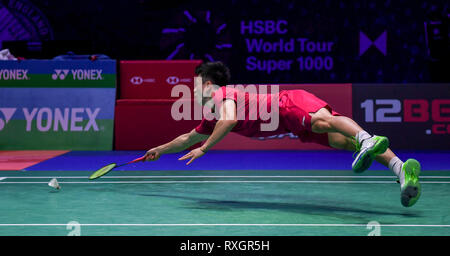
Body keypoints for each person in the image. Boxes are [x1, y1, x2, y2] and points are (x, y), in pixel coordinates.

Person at [145, 61, 421, 207]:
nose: (192, 91)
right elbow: (186, 138)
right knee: (338, 138)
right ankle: (401, 171)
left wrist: (205, 149)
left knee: (325, 120)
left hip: (287, 105)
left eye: (195, 85)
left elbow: (229, 120)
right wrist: (158, 149)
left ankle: (366, 139)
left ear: (207, 84)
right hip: (290, 127)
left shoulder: (221, 94)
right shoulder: (210, 116)